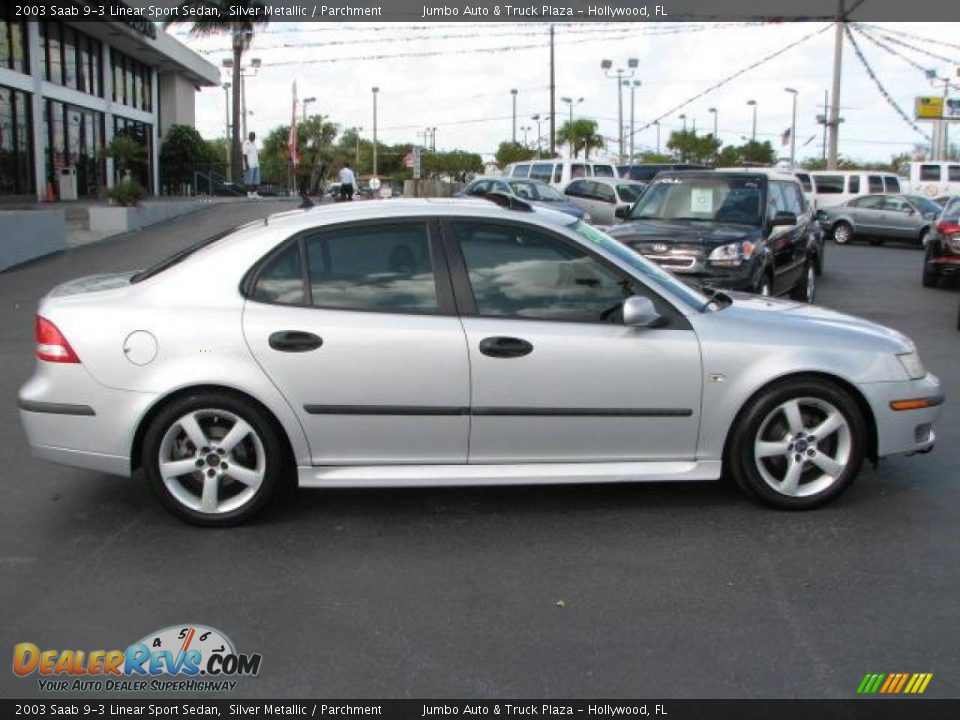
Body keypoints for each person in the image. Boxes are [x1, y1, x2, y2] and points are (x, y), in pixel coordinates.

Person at [241, 131, 261, 199]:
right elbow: (244, 154)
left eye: (254, 136)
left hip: (256, 164)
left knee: (256, 180)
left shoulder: (254, 144)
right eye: (252, 136)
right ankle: (249, 194)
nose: (254, 137)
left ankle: (255, 194)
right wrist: (246, 164)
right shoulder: (246, 143)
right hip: (249, 164)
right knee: (249, 180)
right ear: (249, 136)